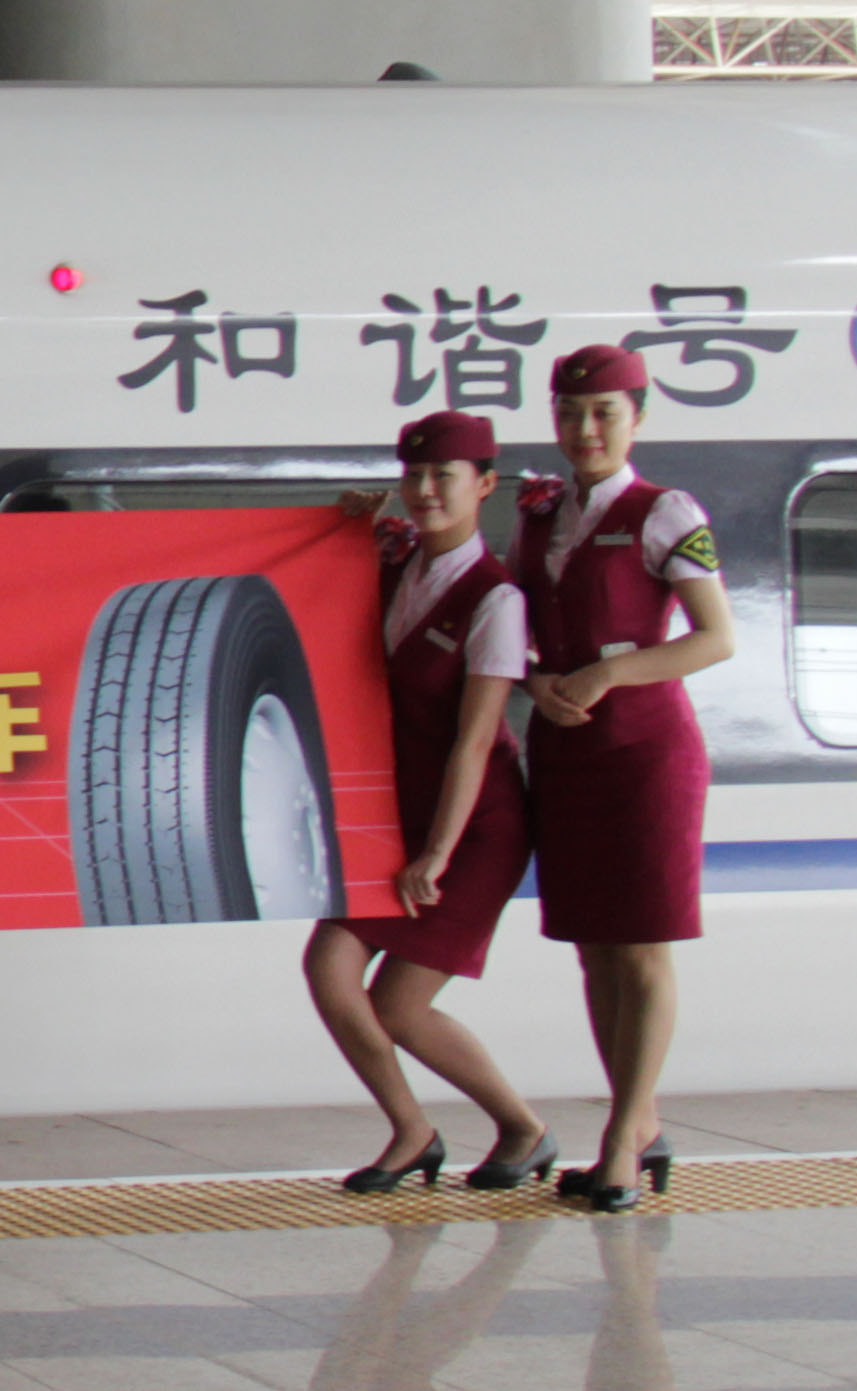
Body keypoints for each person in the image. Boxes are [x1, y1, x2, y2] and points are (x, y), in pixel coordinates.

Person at [514, 345, 737, 1213]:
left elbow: (715, 638)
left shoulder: (665, 511)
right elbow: (519, 627)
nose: (586, 429)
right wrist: (538, 680)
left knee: (641, 945)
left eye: (604, 412)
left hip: (647, 755)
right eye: (570, 413)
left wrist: (609, 674)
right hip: (566, 751)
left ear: (637, 418)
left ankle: (621, 1142)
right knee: (594, 946)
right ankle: (637, 1124)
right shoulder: (540, 514)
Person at [311, 412, 552, 1195]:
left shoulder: (496, 599)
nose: (424, 490)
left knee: (400, 1005)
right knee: (329, 968)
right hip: (397, 818)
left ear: (485, 485)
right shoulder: (396, 563)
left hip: (474, 828)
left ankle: (524, 1128)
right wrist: (337, 527)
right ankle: (412, 1130)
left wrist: (439, 853)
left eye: (444, 476)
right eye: (413, 475)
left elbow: (476, 741)